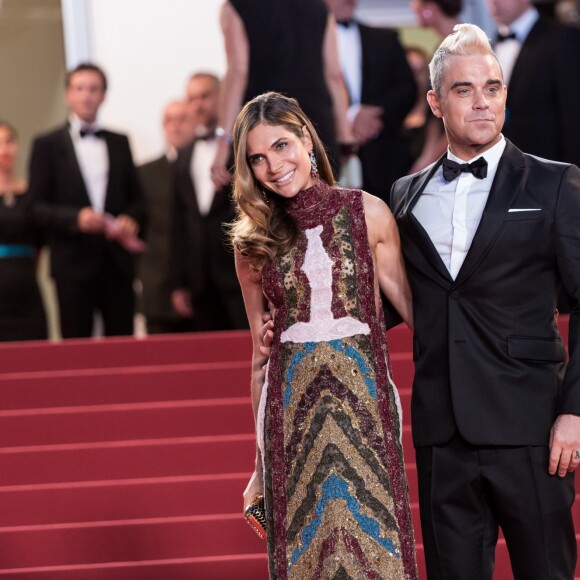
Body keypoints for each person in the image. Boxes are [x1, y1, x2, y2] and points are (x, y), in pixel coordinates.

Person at [390, 23, 580, 578]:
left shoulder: (554, 184)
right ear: (435, 102)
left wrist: (574, 410)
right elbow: (395, 298)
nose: (482, 102)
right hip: (442, 435)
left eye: (492, 87)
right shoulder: (406, 195)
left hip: (532, 429)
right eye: (464, 89)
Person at [232, 92, 417, 578]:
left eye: (281, 145)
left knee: (379, 553)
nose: (274, 165)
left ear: (307, 140)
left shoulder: (368, 212)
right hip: (289, 417)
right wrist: (257, 467)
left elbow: (422, 320)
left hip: (365, 408)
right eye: (258, 157)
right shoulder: (254, 240)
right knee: (307, 561)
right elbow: (259, 360)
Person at [27, 63, 145, 339]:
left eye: (94, 89)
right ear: (68, 94)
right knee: (75, 349)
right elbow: (33, 207)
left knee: (123, 346)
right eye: (79, 88)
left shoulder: (120, 142)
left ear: (103, 95)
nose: (86, 96)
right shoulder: (46, 144)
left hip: (116, 263)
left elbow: (137, 200)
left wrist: (132, 219)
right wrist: (75, 219)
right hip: (71, 264)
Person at [210, 0, 354, 188]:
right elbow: (334, 76)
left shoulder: (236, 6)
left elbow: (238, 73)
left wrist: (223, 144)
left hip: (265, 125)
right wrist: (345, 137)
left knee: (267, 211)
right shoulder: (319, 6)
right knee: (321, 208)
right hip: (316, 128)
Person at [171, 73, 247, 332]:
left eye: (205, 96)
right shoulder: (182, 155)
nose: (198, 105)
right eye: (192, 99)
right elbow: (179, 223)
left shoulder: (242, 148)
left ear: (222, 97)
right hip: (199, 279)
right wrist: (179, 282)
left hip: (240, 275)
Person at [324, 0, 417, 202]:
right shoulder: (307, 42)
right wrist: (349, 118)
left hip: (386, 164)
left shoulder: (385, 38)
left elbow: (407, 90)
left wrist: (375, 118)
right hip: (330, 165)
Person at [137, 100, 194, 334]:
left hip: (203, 291)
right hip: (157, 289)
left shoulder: (211, 168)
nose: (176, 126)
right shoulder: (144, 173)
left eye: (182, 119)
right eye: (170, 120)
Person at [0, 121, 47, 342]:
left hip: (27, 288)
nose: (4, 149)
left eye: (9, 142)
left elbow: (40, 244)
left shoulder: (32, 193)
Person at [407, 0, 463, 173]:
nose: (412, 7)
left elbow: (459, 119)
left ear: (430, 8)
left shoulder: (461, 48)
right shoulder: (442, 48)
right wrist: (427, 158)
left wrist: (429, 162)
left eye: (416, 3)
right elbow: (437, 118)